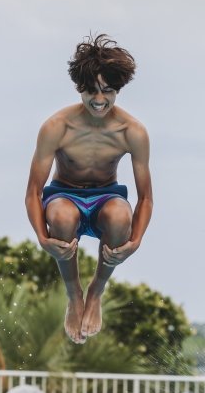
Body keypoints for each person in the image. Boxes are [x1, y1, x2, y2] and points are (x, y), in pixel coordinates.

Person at [25, 34, 153, 344]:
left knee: (121, 216)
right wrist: (43, 238)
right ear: (79, 87)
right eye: (91, 91)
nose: (99, 100)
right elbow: (33, 191)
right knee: (62, 216)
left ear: (118, 89)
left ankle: (96, 290)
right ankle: (75, 294)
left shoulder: (132, 131)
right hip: (63, 193)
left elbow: (145, 197)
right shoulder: (57, 127)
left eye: (107, 91)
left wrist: (135, 241)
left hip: (106, 196)